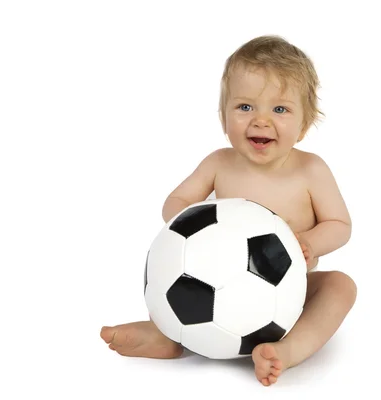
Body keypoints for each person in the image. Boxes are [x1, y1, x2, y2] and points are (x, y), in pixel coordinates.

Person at [100, 35, 357, 387]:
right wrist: (189, 231)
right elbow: (174, 204)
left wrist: (309, 242)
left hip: (287, 295)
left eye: (279, 109)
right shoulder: (219, 163)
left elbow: (340, 225)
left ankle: (288, 349)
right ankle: (170, 336)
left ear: (306, 122)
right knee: (172, 271)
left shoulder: (311, 170)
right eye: (245, 107)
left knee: (341, 287)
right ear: (223, 117)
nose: (261, 121)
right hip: (212, 284)